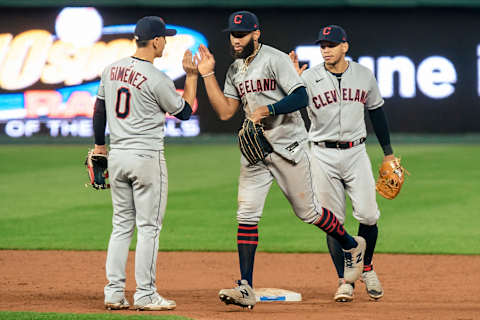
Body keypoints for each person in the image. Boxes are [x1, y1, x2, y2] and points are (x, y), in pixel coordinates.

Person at [196, 11, 366, 309]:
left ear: (256, 34)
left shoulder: (274, 59)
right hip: (256, 151)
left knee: (309, 213)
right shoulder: (235, 70)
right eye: (233, 35)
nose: (235, 40)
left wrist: (268, 109)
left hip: (290, 147)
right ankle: (245, 286)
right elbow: (225, 112)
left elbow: (301, 96)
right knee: (246, 214)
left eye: (242, 34)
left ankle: (352, 245)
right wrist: (207, 74)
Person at [92, 16, 199, 311]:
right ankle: (146, 294)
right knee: (149, 227)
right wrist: (191, 76)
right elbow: (185, 112)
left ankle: (114, 292)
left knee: (121, 226)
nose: (166, 41)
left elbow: (99, 109)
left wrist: (100, 145)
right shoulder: (157, 78)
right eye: (164, 37)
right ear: (155, 41)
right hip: (146, 158)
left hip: (117, 156)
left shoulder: (110, 70)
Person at [290, 25, 395, 302]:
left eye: (331, 45)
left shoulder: (363, 74)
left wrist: (388, 152)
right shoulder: (308, 77)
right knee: (333, 222)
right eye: (322, 45)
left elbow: (377, 112)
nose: (325, 50)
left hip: (356, 152)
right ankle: (344, 281)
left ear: (344, 46)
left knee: (369, 215)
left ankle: (367, 266)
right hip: (322, 154)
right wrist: (291, 82)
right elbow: (289, 106)